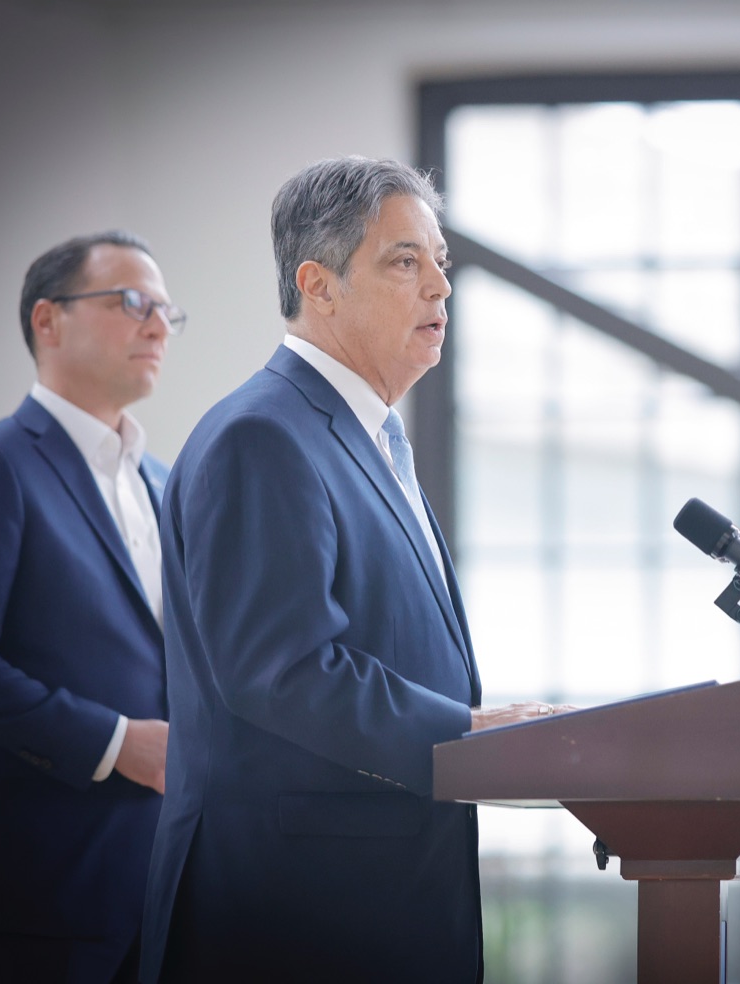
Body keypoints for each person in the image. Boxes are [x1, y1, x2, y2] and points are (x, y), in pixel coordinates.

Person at [138, 156, 563, 984]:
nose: (440, 286)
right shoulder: (263, 436)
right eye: (405, 261)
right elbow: (281, 670)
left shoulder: (374, 439)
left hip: (381, 902)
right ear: (318, 285)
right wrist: (465, 732)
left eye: (441, 261)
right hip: (293, 916)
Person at [0, 230, 184, 983]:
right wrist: (115, 743)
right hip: (38, 890)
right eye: (134, 302)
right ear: (47, 320)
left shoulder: (164, 481)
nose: (158, 325)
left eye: (167, 311)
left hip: (162, 887)